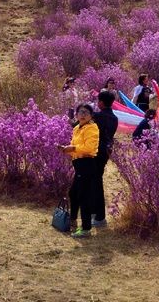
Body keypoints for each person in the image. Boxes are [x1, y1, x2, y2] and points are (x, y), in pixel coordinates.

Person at [58, 103, 99, 239]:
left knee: (83, 196)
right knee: (73, 193)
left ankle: (86, 229)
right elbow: (75, 148)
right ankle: (73, 220)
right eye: (80, 112)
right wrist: (66, 149)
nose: (83, 115)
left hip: (87, 164)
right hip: (79, 165)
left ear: (91, 116)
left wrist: (73, 148)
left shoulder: (92, 128)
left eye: (86, 112)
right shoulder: (76, 128)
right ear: (76, 114)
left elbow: (89, 148)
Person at [91, 91, 118, 229]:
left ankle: (100, 217)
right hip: (105, 153)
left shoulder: (98, 116)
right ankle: (95, 213)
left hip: (95, 152)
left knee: (96, 183)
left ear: (101, 102)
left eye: (98, 101)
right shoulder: (114, 118)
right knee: (95, 181)